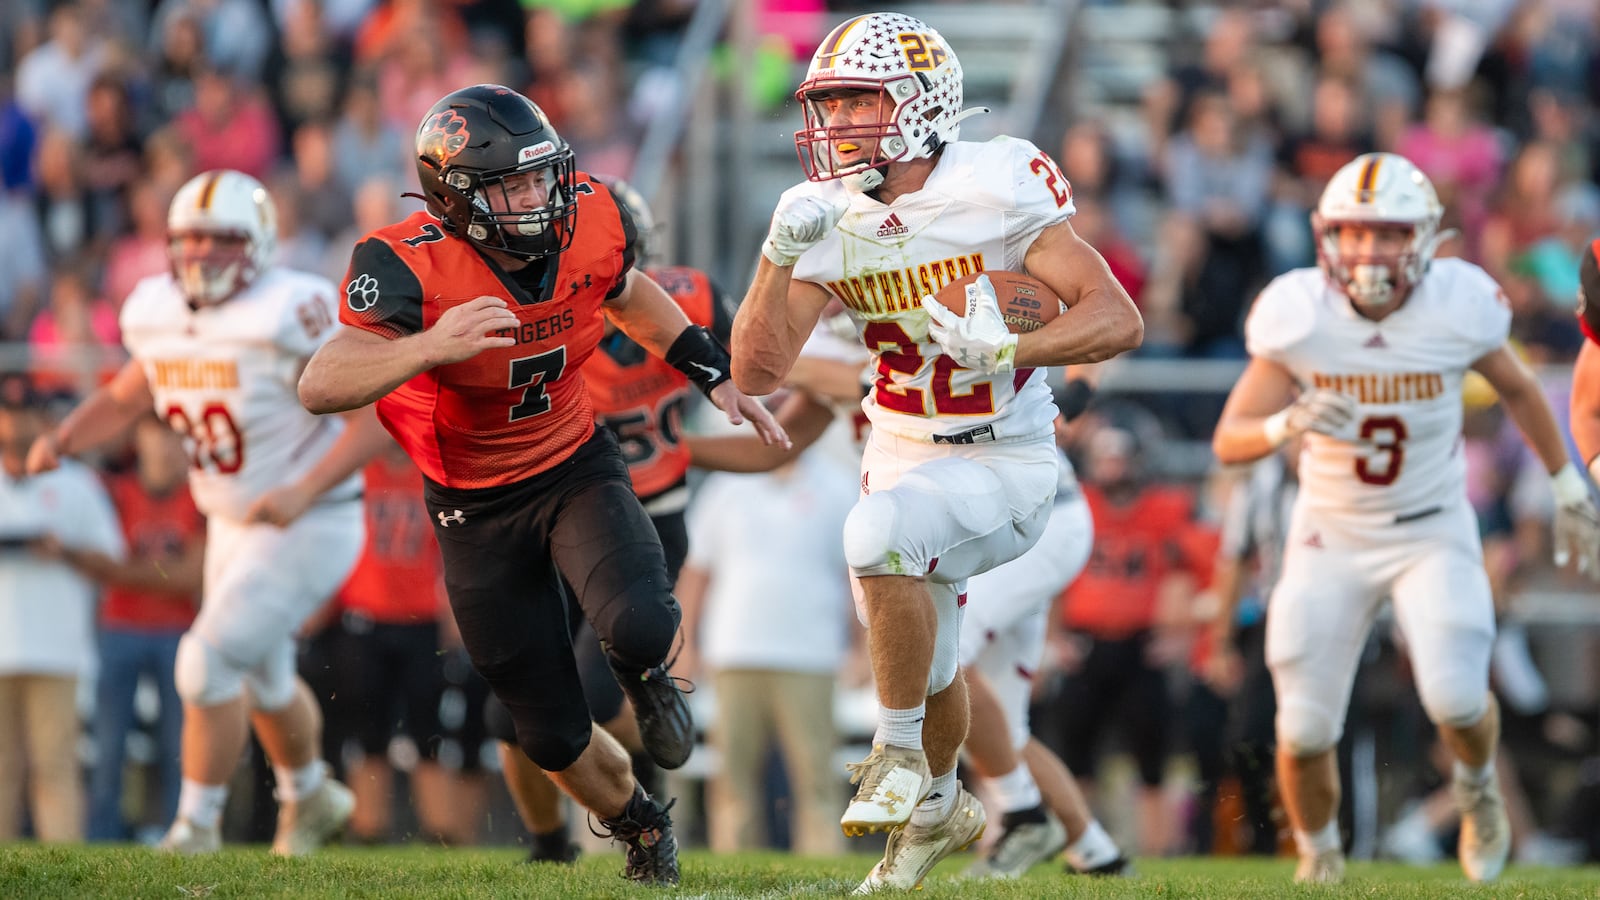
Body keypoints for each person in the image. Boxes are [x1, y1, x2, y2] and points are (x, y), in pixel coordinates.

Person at [295, 84, 786, 886]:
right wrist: (426, 349)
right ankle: (640, 824)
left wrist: (710, 370)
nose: (536, 198)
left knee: (640, 622)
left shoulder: (591, 214)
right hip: (472, 505)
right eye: (512, 187)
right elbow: (323, 381)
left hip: (571, 462)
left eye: (541, 177)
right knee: (549, 733)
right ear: (455, 196)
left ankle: (646, 677)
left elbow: (624, 291)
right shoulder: (404, 263)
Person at [731, 12, 1143, 889]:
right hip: (901, 447)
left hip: (1005, 455)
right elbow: (755, 370)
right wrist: (775, 257)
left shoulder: (998, 184)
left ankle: (898, 758)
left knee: (874, 533)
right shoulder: (831, 217)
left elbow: (1118, 319)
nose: (833, 124)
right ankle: (941, 809)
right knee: (936, 659)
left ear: (920, 106)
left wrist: (1010, 349)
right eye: (826, 105)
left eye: (854, 103)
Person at [1211, 151, 1600, 885]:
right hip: (1330, 533)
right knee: (1302, 726)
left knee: (1457, 698)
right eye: (1355, 233)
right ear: (1327, 235)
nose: (1369, 251)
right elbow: (1230, 437)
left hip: (1431, 527)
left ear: (1423, 239)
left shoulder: (1459, 302)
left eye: (1387, 234)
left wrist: (1564, 483)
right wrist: (1284, 424)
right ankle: (1319, 855)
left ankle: (1479, 789)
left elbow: (1517, 390)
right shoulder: (1298, 312)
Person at [25, 168, 382, 856]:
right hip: (229, 522)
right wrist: (66, 438)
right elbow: (133, 393)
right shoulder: (159, 310)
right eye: (189, 242)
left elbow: (377, 419)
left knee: (204, 663)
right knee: (265, 677)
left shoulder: (291, 311)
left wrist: (304, 488)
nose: (203, 256)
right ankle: (310, 793)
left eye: (222, 241)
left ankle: (195, 825)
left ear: (262, 244)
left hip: (311, 519)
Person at [482, 176, 732, 865]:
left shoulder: (681, 302)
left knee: (596, 685)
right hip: (556, 514)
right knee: (507, 714)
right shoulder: (530, 309)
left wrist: (738, 443)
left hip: (649, 515)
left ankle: (642, 799)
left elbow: (754, 373)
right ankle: (547, 843)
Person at [0, 372, 125, 843]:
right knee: (3, 771)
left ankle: (63, 865)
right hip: (7, 646)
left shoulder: (77, 484)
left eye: (26, 412)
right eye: (9, 413)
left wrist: (64, 551)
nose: (17, 424)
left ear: (43, 417)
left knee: (54, 767)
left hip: (56, 647)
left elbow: (113, 559)